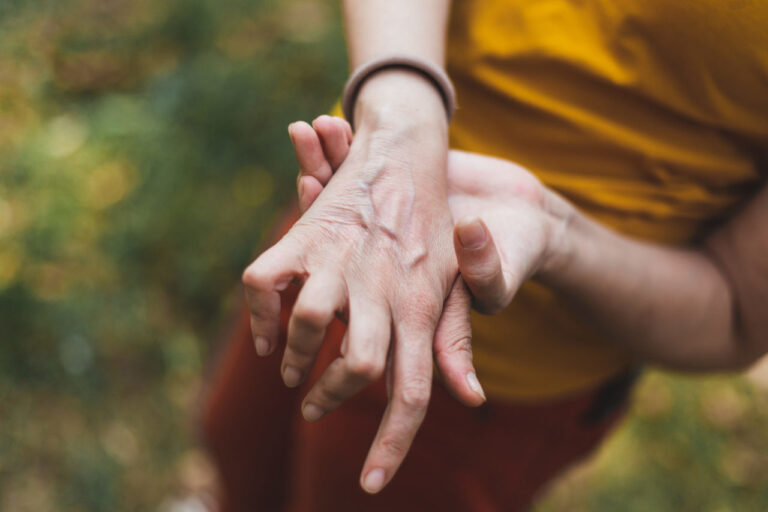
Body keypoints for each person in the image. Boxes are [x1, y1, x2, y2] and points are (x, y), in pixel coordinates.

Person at [202, 1, 768, 510]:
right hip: (354, 207)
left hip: (500, 377)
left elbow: (739, 310)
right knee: (235, 444)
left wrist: (555, 231)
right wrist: (403, 112)